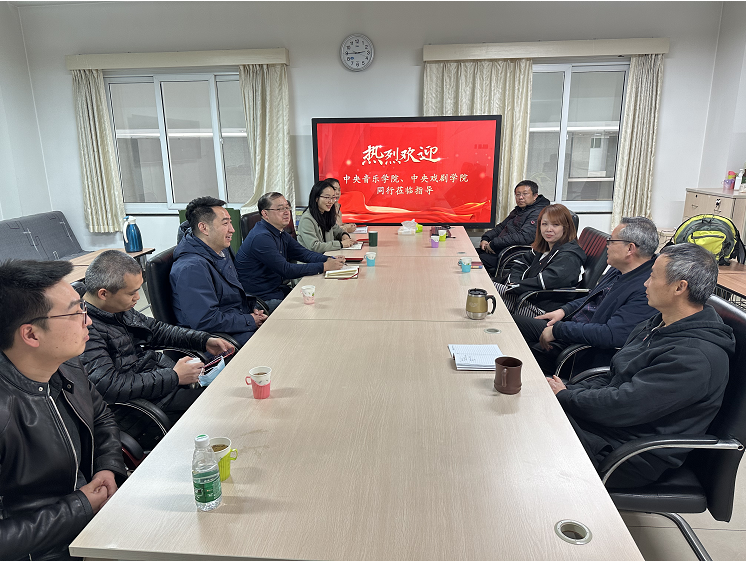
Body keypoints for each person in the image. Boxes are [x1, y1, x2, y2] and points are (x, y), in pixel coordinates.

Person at [547, 243, 735, 488]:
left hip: (627, 454)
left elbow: (623, 405)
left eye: (653, 276)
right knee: (535, 410)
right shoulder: (658, 324)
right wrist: (569, 392)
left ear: (679, 287)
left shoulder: (695, 357)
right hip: (608, 428)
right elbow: (615, 375)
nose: (645, 283)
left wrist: (566, 397)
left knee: (532, 433)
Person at [0, 259, 126, 560]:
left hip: (95, 521)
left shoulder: (66, 364)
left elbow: (101, 416)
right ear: (31, 335)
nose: (89, 320)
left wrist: (107, 467)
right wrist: (80, 506)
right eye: (76, 312)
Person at [80, 250, 234, 423]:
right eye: (132, 293)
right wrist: (174, 376)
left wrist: (203, 340)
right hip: (144, 407)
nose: (138, 297)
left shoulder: (115, 307)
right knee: (223, 405)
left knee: (228, 388)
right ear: (103, 294)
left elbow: (157, 330)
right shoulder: (84, 330)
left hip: (161, 384)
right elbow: (110, 386)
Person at [513, 217, 658, 375]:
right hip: (572, 328)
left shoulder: (646, 289)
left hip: (579, 351)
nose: (607, 245)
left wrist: (558, 331)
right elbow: (592, 298)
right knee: (512, 325)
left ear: (630, 249)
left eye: (611, 241)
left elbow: (611, 334)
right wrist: (564, 310)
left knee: (516, 351)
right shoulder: (620, 269)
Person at [171, 196, 268, 347]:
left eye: (230, 222)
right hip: (215, 341)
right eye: (225, 223)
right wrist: (249, 320)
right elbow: (205, 321)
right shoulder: (191, 268)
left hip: (234, 325)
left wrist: (252, 310)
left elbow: (232, 294)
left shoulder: (221, 250)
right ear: (204, 228)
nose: (232, 229)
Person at [235, 192, 346, 312]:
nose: (286, 212)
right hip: (260, 299)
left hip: (277, 290)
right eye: (280, 209)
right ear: (265, 214)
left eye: (287, 207)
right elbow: (286, 270)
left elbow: (303, 254)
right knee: (313, 309)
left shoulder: (279, 232)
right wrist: (324, 266)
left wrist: (330, 259)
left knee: (323, 297)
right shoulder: (261, 237)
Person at [493, 203, 586, 316]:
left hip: (542, 310)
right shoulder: (546, 247)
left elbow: (545, 281)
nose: (548, 229)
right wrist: (513, 282)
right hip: (525, 297)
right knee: (485, 289)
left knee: (487, 291)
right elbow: (521, 263)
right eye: (544, 224)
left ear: (565, 228)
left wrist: (516, 286)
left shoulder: (569, 256)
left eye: (555, 225)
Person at [477, 180, 550, 276]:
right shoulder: (519, 210)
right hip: (501, 249)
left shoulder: (538, 213)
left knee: (474, 261)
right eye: (518, 194)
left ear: (535, 196)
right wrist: (486, 238)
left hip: (512, 254)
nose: (520, 197)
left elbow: (524, 237)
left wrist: (495, 243)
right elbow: (501, 227)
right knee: (469, 254)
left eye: (525, 194)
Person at [298, 179, 357, 253]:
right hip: (311, 259)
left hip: (326, 256)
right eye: (327, 197)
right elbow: (314, 246)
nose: (331, 201)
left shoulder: (326, 213)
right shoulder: (307, 219)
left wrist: (344, 235)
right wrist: (341, 244)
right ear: (316, 198)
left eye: (333, 198)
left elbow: (338, 231)